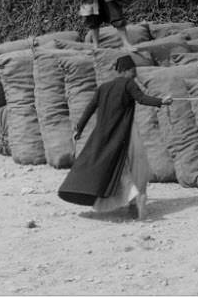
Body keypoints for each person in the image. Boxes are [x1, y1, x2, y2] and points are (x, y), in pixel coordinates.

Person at [58, 56, 171, 219]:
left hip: (104, 134)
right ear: (126, 70)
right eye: (133, 70)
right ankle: (135, 199)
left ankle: (131, 200)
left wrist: (79, 129)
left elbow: (89, 108)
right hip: (125, 133)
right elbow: (142, 99)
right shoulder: (128, 84)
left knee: (111, 166)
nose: (135, 73)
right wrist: (162, 101)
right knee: (133, 166)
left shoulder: (103, 88)